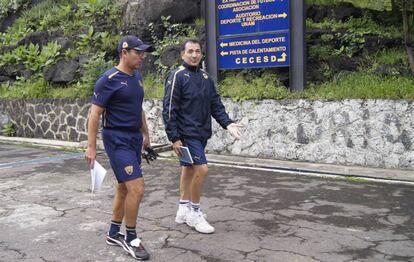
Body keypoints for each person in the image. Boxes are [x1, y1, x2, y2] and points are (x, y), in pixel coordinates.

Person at [162, 39, 242, 234]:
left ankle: (182, 209)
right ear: (183, 54)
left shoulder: (206, 77)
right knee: (202, 169)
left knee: (188, 169)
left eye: (197, 51)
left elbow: (215, 104)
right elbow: (169, 109)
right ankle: (194, 213)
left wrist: (228, 123)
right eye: (190, 51)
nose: (195, 55)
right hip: (186, 134)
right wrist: (174, 137)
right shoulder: (177, 76)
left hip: (201, 133)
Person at [85, 35, 152, 260]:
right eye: (137, 52)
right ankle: (132, 238)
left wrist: (146, 134)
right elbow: (94, 115)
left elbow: (138, 108)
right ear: (124, 53)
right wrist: (91, 147)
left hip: (133, 138)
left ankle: (114, 233)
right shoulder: (108, 79)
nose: (142, 56)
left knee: (124, 187)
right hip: (117, 139)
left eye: (143, 52)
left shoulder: (137, 77)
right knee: (137, 188)